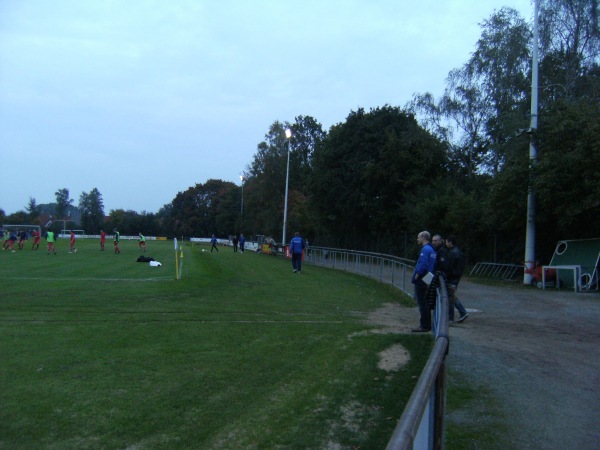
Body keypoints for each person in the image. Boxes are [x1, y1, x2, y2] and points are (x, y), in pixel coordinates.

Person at [411, 231, 437, 332]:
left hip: (422, 278)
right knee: (424, 302)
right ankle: (426, 324)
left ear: (423, 237)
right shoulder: (431, 249)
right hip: (428, 277)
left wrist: (417, 274)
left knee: (422, 302)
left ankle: (424, 326)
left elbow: (423, 264)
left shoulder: (425, 249)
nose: (417, 239)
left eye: (418, 237)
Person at [445, 235, 469, 323]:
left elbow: (449, 267)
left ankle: (458, 314)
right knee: (451, 295)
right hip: (457, 277)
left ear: (451, 242)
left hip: (452, 277)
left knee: (451, 296)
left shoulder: (452, 253)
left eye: (447, 242)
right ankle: (457, 314)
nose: (446, 243)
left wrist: (446, 275)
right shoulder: (459, 252)